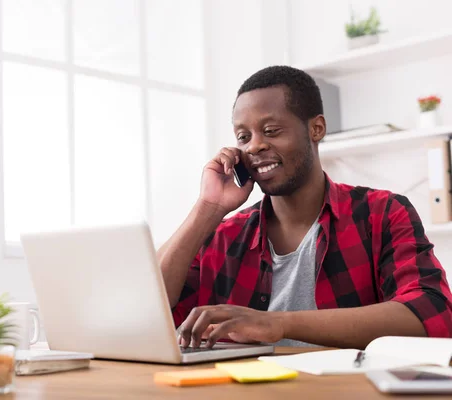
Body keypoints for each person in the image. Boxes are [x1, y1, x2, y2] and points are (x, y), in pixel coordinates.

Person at [158, 65, 452, 349]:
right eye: (243, 137)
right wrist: (208, 207)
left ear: (316, 128)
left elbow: (431, 311)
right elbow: (151, 310)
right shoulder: (224, 236)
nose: (253, 146)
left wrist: (279, 324)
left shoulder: (382, 213)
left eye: (271, 130)